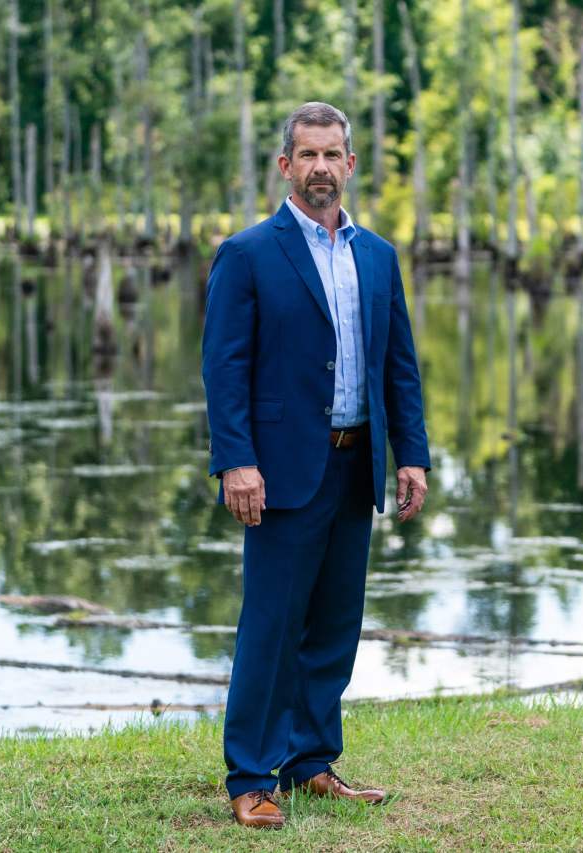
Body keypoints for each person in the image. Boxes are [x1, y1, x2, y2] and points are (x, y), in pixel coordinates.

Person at [201, 101, 431, 829]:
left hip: (355, 463)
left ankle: (309, 763)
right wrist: (236, 460)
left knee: (334, 624)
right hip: (279, 471)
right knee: (271, 625)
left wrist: (412, 456)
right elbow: (223, 369)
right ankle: (251, 776)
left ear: (351, 164)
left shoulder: (378, 255)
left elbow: (400, 367)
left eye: (333, 155)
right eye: (308, 155)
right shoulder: (248, 254)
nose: (322, 168)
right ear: (285, 165)